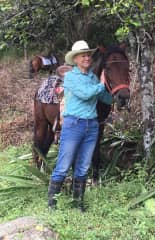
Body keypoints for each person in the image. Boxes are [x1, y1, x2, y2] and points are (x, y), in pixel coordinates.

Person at [48, 40, 112, 211]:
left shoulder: (93, 77)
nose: (87, 57)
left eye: (88, 54)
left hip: (92, 126)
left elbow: (106, 99)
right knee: (63, 165)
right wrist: (100, 85)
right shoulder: (70, 78)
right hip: (73, 125)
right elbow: (85, 94)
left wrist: (113, 90)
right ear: (75, 59)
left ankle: (78, 204)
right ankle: (52, 205)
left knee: (83, 167)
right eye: (83, 55)